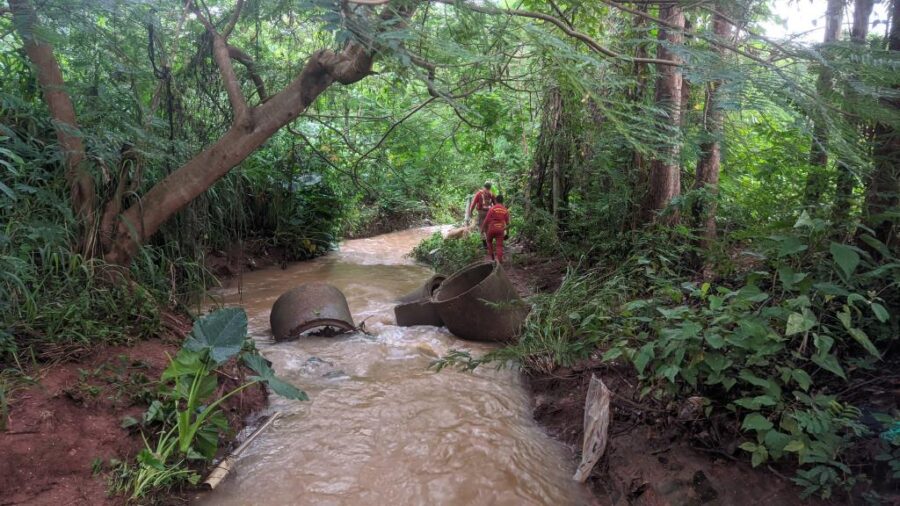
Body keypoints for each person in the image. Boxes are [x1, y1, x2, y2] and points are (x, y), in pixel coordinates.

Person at [481, 195, 510, 263]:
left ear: (496, 201)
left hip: (492, 228)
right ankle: (500, 262)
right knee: (499, 246)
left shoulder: (492, 208)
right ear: (503, 201)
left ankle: (492, 259)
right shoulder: (505, 210)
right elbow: (508, 223)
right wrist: (507, 233)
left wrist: (482, 229)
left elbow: (486, 220)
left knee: (489, 241)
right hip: (500, 229)